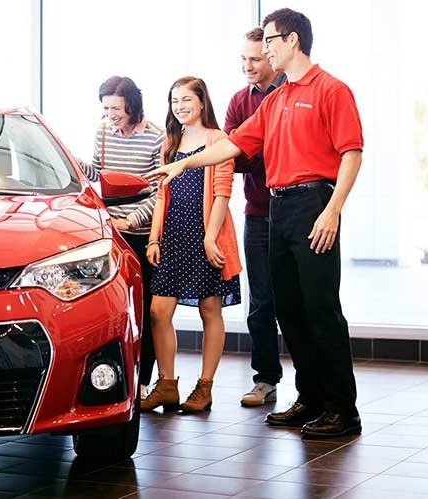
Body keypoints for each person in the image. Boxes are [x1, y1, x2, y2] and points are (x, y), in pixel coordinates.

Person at [149, 8, 363, 438]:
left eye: (269, 41)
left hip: (314, 203)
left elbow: (352, 152)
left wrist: (333, 208)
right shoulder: (276, 99)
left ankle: (343, 408)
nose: (263, 50)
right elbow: (230, 144)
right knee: (288, 310)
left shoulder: (331, 89)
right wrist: (181, 166)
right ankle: (312, 398)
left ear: (292, 41)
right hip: (277, 208)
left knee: (321, 310)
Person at [139, 76, 241, 414]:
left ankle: (205, 386)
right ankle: (167, 385)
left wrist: (210, 237)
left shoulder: (218, 140)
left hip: (205, 236)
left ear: (201, 102)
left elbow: (222, 194)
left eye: (186, 100)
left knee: (209, 310)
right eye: (174, 101)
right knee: (158, 311)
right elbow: (161, 194)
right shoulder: (171, 141)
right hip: (172, 236)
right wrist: (154, 238)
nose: (179, 107)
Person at [79, 76, 164, 398]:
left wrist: (134, 218)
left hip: (141, 232)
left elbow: (159, 191)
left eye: (116, 107)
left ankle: (143, 379)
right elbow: (100, 176)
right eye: (106, 107)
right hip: (112, 231)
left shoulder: (157, 137)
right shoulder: (103, 131)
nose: (111, 114)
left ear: (132, 104)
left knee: (144, 307)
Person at [225, 27, 286, 407]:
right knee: (260, 303)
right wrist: (260, 149)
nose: (247, 66)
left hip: (297, 213)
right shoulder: (237, 101)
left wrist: (255, 149)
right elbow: (234, 157)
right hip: (258, 215)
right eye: (243, 59)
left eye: (255, 59)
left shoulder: (289, 94)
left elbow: (286, 151)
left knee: (297, 302)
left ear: (272, 58)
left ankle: (315, 387)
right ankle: (265, 380)